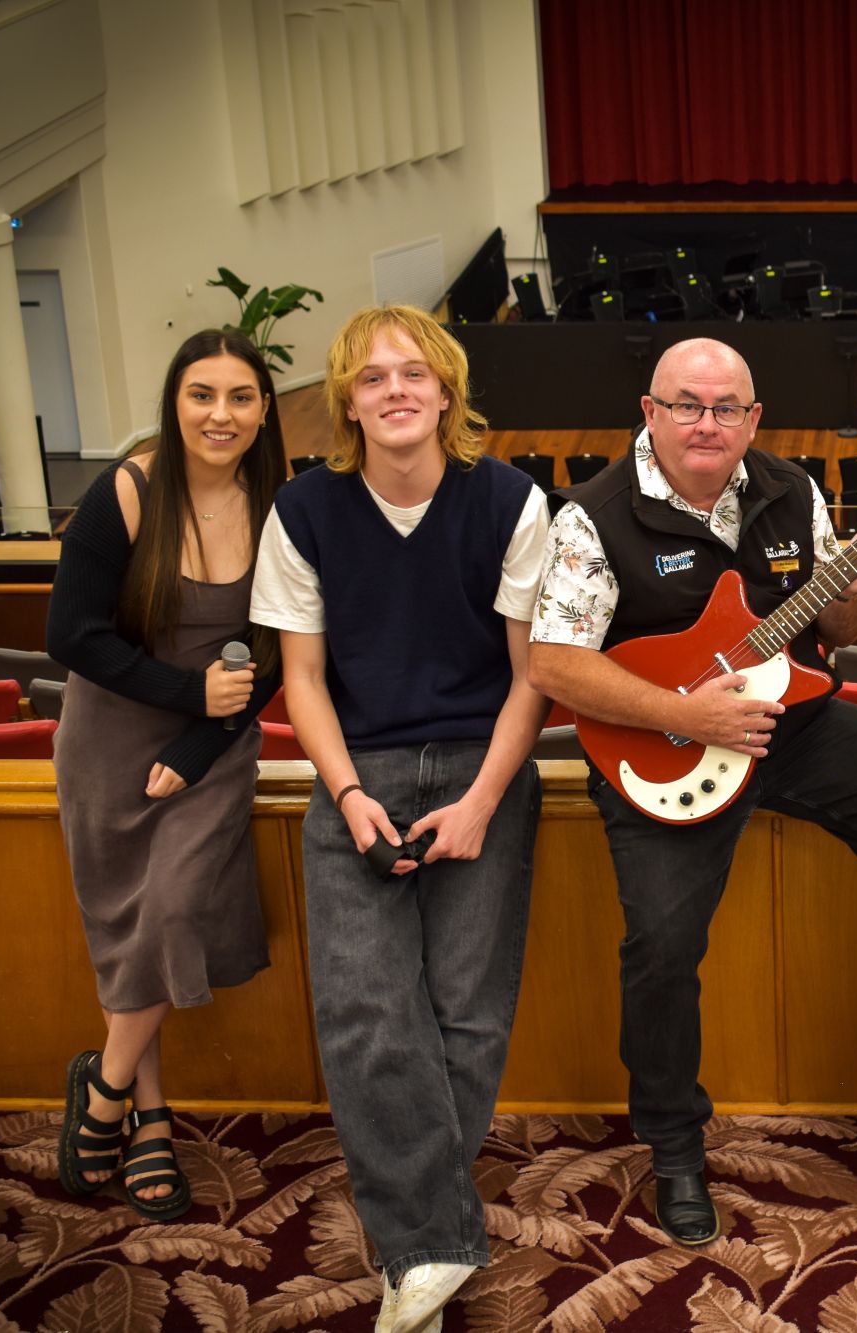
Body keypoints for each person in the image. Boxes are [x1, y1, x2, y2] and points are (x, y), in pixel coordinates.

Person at [527, 337, 857, 1247]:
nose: (708, 423)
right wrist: (685, 715)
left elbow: (841, 628)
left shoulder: (793, 490)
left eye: (727, 407)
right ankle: (672, 1145)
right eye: (688, 404)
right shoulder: (589, 516)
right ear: (650, 411)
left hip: (795, 725)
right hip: (662, 743)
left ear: (754, 418)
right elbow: (554, 663)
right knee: (661, 945)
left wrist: (853, 589)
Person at [250, 305, 549, 1333]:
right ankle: (434, 1243)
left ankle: (417, 1244)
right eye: (371, 377)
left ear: (447, 392)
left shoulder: (512, 501)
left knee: (467, 1013)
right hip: (358, 769)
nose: (394, 391)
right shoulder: (301, 510)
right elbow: (300, 678)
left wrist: (478, 802)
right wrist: (347, 795)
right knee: (366, 1012)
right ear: (346, 400)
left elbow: (531, 679)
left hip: (484, 767)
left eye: (414, 373)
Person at [48, 329, 285, 1220]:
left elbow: (281, 654)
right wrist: (184, 690)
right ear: (174, 402)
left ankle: (102, 1088)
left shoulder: (282, 507)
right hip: (108, 736)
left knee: (174, 906)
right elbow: (70, 634)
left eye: (240, 396)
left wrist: (196, 742)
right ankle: (148, 1118)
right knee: (130, 927)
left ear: (267, 408)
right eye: (201, 395)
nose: (220, 415)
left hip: (213, 747)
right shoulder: (128, 490)